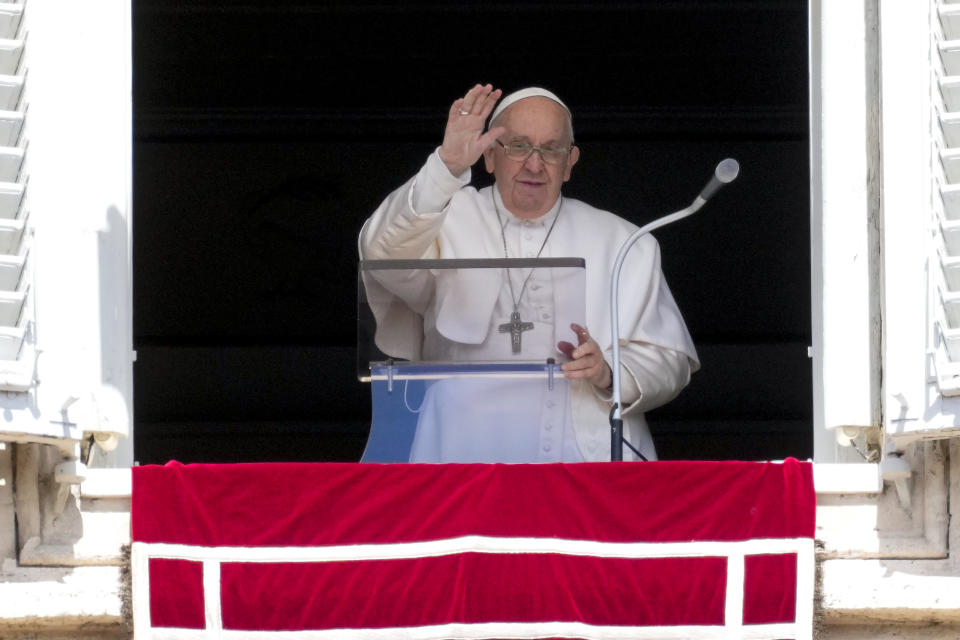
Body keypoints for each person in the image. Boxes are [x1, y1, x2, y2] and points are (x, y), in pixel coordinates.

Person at [359, 84, 699, 462]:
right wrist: (446, 167)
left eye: (551, 149)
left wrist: (609, 372)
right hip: (461, 444)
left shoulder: (624, 241)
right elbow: (382, 253)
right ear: (489, 156)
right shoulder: (442, 219)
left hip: (583, 449)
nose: (534, 165)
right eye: (518, 146)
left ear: (570, 162)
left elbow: (670, 360)